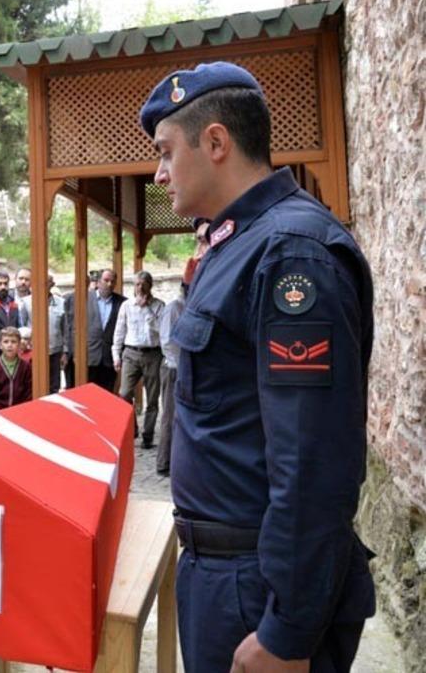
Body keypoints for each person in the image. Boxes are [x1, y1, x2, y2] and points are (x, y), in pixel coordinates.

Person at [142, 61, 375, 671]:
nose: (158, 173)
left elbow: (314, 461)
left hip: (257, 589)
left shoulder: (289, 253)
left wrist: (289, 631)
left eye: (166, 153)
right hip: (221, 574)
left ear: (216, 142)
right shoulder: (235, 244)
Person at [112, 271, 164, 448]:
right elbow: (119, 331)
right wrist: (116, 354)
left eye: (143, 284)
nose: (140, 288)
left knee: (152, 398)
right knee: (124, 394)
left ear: (150, 285)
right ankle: (131, 428)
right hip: (131, 354)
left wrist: (148, 310)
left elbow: (163, 331)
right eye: (136, 284)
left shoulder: (159, 306)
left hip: (153, 354)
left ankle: (147, 436)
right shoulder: (126, 306)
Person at [72, 269, 124, 392]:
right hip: (89, 356)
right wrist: (75, 352)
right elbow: (74, 328)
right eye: (106, 280)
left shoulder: (122, 303)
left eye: (112, 281)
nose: (109, 284)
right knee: (86, 394)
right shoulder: (83, 299)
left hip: (109, 357)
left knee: (107, 394)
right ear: (98, 282)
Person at [18, 275, 68, 393]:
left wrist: (65, 351)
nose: (43, 285)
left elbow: (65, 329)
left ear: (52, 284)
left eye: (47, 283)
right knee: (33, 384)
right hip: (33, 352)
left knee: (53, 386)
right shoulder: (26, 302)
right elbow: (22, 326)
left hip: (55, 351)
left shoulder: (61, 303)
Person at [156, 281, 186, 477]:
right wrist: (179, 365)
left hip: (183, 368)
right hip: (173, 368)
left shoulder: (188, 307)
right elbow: (166, 341)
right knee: (168, 414)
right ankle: (164, 462)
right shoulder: (173, 308)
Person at [0, 327, 32, 411]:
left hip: (21, 410)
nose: (9, 345)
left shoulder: (25, 366)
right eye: (6, 342)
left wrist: (24, 408)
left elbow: (28, 391)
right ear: (0, 345)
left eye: (13, 342)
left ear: (19, 345)